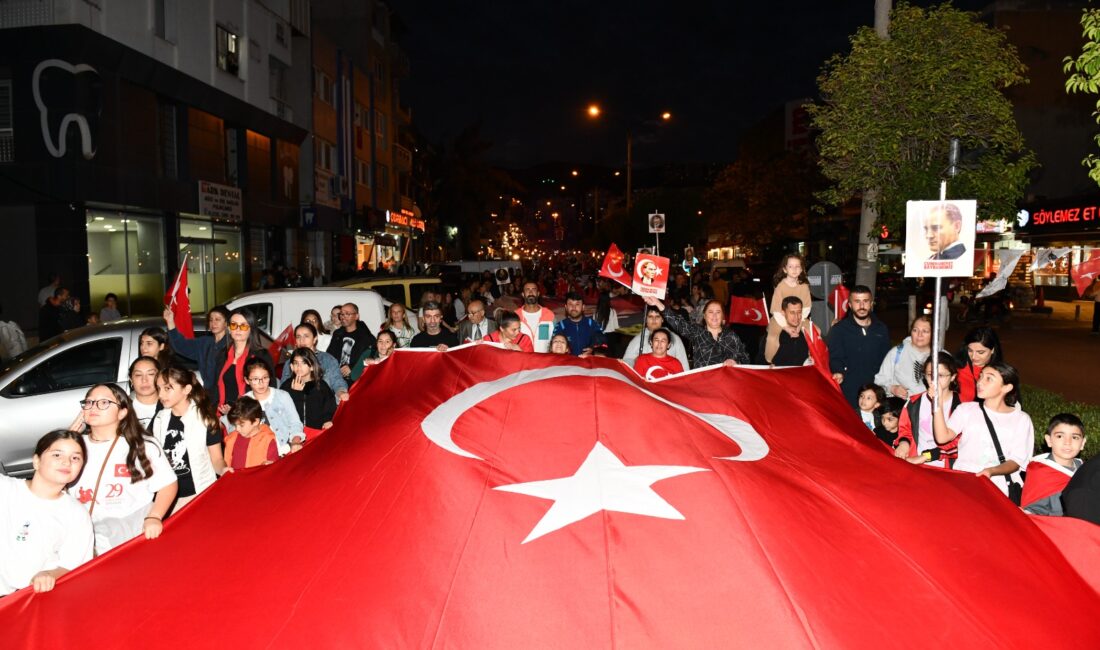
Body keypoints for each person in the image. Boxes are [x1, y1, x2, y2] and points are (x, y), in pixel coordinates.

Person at [69, 384, 178, 555]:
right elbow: (48, 486)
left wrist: (154, 516)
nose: (93, 407)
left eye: (103, 403)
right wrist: (64, 443)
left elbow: (167, 484)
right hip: (85, 534)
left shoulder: (142, 445)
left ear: (122, 412)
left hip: (130, 532)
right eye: (89, 402)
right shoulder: (73, 446)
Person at [0, 430, 93, 596]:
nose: (66, 462)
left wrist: (49, 575)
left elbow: (72, 564)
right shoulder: (6, 489)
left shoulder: (77, 514)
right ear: (36, 461)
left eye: (75, 458)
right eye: (57, 455)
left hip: (29, 600)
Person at [932, 362, 1033, 499]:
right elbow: (942, 437)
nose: (980, 382)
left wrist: (991, 471)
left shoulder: (1021, 419)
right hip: (963, 482)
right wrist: (937, 405)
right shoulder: (966, 410)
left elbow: (1016, 461)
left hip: (997, 487)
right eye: (980, 376)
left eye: (989, 378)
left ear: (1006, 387)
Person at [150, 366, 226, 511]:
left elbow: (216, 459)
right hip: (166, 497)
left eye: (167, 388)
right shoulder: (159, 418)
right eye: (159, 388)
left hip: (199, 494)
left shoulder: (205, 420)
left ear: (186, 389)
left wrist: (224, 470)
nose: (161, 394)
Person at [827, 285, 892, 410]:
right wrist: (838, 371)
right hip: (849, 392)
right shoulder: (839, 330)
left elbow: (887, 359)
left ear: (871, 303)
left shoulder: (881, 329)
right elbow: (835, 357)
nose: (862, 306)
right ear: (850, 305)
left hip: (875, 391)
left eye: (865, 301)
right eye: (857, 301)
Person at [895, 353, 961, 467]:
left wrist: (926, 456)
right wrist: (904, 443)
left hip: (945, 467)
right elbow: (905, 429)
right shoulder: (914, 402)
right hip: (915, 463)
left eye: (940, 375)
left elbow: (959, 443)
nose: (934, 380)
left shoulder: (961, 406)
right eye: (930, 374)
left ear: (953, 377)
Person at [646, 296, 749, 368]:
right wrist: (658, 303)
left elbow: (745, 359)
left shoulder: (732, 336)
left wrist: (735, 362)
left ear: (723, 316)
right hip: (703, 385)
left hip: (726, 387)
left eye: (718, 312)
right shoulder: (698, 332)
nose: (714, 316)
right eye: (710, 312)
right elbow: (679, 323)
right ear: (704, 315)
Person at [1021, 414, 1087, 516]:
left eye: (1074, 437)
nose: (1067, 442)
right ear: (1049, 440)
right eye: (1060, 436)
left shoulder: (1086, 470)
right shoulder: (1040, 472)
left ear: (1082, 443)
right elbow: (1033, 511)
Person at [215, 308, 274, 417]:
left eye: (243, 326)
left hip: (251, 414)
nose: (238, 329)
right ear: (229, 328)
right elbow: (215, 387)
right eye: (234, 325)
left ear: (251, 329)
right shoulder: (223, 354)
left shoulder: (261, 355)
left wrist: (237, 409)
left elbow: (270, 389)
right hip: (224, 414)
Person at [166, 305, 231, 400]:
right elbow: (181, 346)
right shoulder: (204, 343)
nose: (213, 323)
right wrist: (170, 322)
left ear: (226, 323)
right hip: (210, 396)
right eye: (211, 320)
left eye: (218, 319)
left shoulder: (232, 344)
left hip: (228, 395)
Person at [241, 358, 305, 456]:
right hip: (257, 453)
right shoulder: (244, 401)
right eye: (255, 379)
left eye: (265, 378)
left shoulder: (282, 396)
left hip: (285, 449)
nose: (261, 383)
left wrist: (295, 441)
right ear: (247, 380)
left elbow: (295, 423)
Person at [280, 323, 348, 401]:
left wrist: (341, 393)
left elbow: (337, 382)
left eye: (306, 336)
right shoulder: (290, 362)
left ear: (315, 339)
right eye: (298, 337)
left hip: (322, 405)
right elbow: (283, 390)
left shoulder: (327, 360)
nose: (302, 340)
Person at [764, 254, 812, 363]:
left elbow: (806, 308)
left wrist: (799, 324)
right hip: (780, 318)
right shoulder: (780, 287)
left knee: (815, 331)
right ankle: (769, 361)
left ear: (801, 269)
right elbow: (776, 310)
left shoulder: (804, 286)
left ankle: (812, 357)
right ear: (785, 269)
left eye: (797, 266)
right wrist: (786, 327)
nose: (794, 269)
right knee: (772, 336)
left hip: (799, 317)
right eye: (791, 266)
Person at [874, 316, 932, 400]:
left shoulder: (940, 357)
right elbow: (879, 381)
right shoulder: (897, 352)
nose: (919, 335)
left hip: (928, 408)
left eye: (925, 331)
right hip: (902, 407)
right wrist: (893, 389)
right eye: (915, 330)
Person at [281, 348, 338, 432]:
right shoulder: (287, 386)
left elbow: (329, 408)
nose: (299, 366)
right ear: (292, 367)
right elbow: (282, 410)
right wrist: (295, 393)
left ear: (312, 366)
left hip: (316, 432)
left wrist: (327, 420)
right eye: (296, 363)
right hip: (293, 434)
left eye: (304, 363)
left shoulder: (321, 386)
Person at [622, 306, 690, 370]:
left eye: (657, 316)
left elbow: (684, 367)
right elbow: (626, 362)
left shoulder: (674, 339)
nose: (654, 320)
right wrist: (635, 361)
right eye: (650, 316)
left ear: (662, 319)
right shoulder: (638, 340)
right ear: (645, 319)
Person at [223, 397, 279, 471]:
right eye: (235, 425)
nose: (237, 429)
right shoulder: (231, 439)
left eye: (241, 425)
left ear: (255, 422)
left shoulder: (267, 439)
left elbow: (274, 467)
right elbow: (226, 466)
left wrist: (269, 466)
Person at [326, 302, 377, 382]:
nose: (343, 317)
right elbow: (330, 354)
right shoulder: (338, 334)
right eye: (341, 314)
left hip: (357, 379)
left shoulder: (366, 336)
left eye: (347, 314)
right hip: (337, 378)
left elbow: (372, 356)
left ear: (356, 316)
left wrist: (352, 367)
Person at [955, 326, 1003, 403]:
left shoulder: (1000, 373)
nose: (974, 357)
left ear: (992, 350)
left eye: (980, 352)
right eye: (970, 350)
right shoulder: (956, 366)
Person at [553, 292, 607, 356]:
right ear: (566, 307)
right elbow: (554, 349)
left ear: (583, 307)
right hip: (567, 363)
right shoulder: (560, 326)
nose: (574, 308)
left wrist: (594, 350)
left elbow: (603, 345)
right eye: (570, 304)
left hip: (587, 363)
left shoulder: (592, 324)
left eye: (577, 304)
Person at [767, 296, 810, 367]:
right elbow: (761, 361)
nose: (796, 316)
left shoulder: (807, 333)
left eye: (799, 312)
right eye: (792, 313)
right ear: (783, 313)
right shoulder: (775, 334)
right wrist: (769, 366)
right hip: (780, 376)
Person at [517, 281, 556, 353]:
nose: (531, 292)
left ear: (538, 294)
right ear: (523, 294)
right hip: (522, 361)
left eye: (534, 289)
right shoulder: (515, 316)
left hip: (544, 361)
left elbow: (555, 339)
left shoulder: (549, 315)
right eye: (527, 289)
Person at [128, 356, 163, 432]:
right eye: (138, 375)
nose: (144, 380)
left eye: (150, 374)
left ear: (160, 376)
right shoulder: (122, 409)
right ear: (131, 380)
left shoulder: (172, 406)